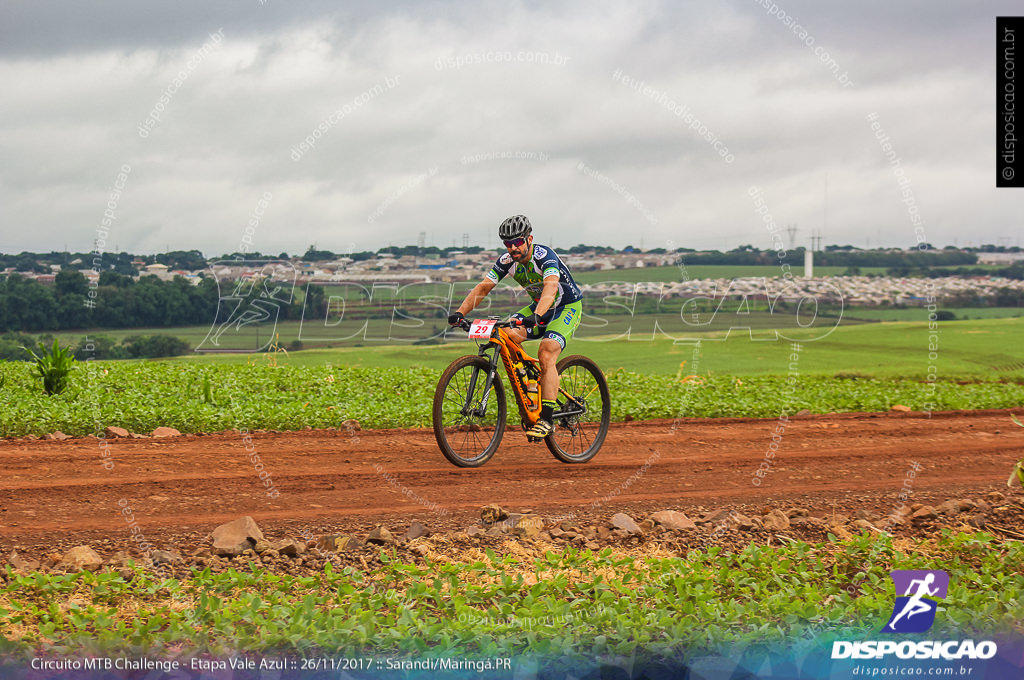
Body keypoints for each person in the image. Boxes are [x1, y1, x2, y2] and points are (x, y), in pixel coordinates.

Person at [448, 215, 583, 439]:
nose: (513, 248)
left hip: (566, 307)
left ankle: (547, 419)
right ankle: (531, 383)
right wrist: (460, 313)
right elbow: (483, 288)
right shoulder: (506, 261)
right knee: (504, 334)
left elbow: (550, 288)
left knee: (546, 351)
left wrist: (538, 315)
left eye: (517, 242)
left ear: (529, 239)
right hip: (538, 307)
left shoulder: (544, 257)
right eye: (507, 244)